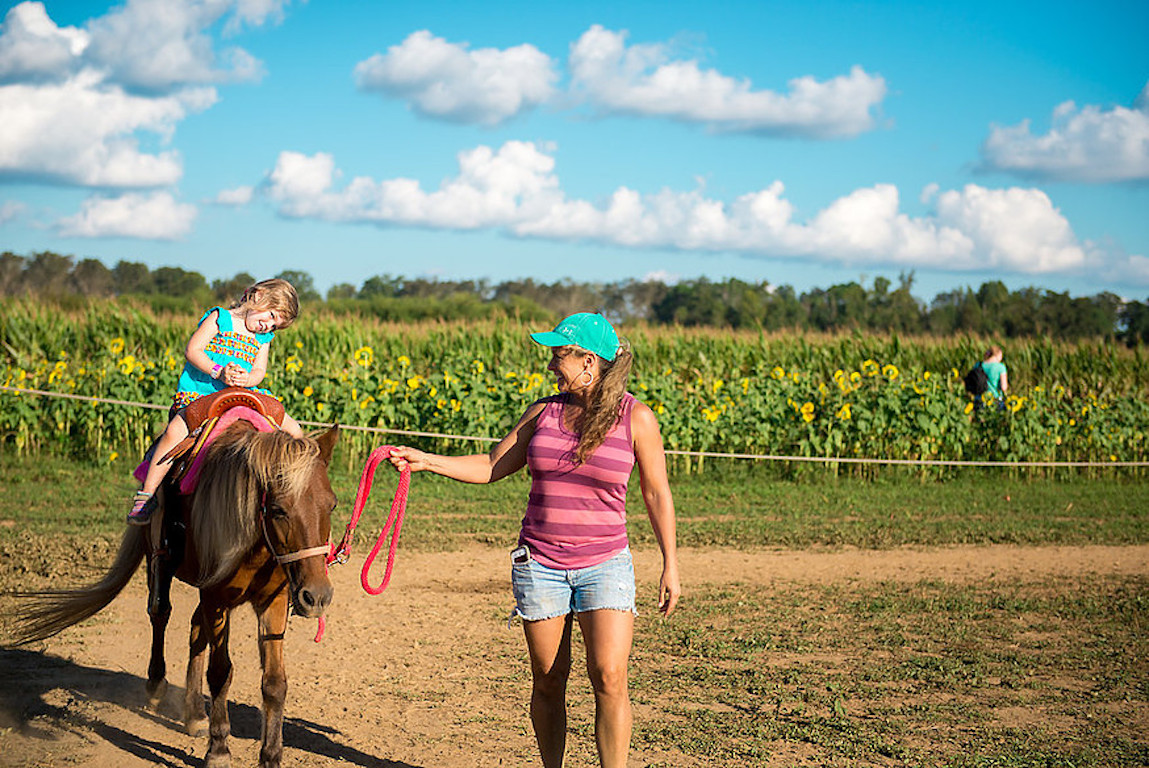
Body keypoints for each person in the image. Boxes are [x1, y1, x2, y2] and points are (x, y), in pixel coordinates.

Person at [387, 312, 681, 768]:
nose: (550, 365)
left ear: (590, 361)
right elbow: (491, 465)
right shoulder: (543, 412)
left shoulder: (636, 418)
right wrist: (427, 460)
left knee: (610, 675)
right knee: (548, 679)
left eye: (559, 355)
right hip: (540, 563)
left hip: (606, 563)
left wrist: (670, 563)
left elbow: (656, 492)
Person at [126, 278, 305, 525]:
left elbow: (259, 371)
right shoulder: (220, 319)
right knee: (174, 432)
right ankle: (146, 496)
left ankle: (300, 494)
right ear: (258, 296)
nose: (269, 325)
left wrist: (247, 378)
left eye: (276, 324)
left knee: (295, 430)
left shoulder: (264, 339)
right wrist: (218, 372)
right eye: (272, 315)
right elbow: (193, 350)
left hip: (241, 395)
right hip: (203, 393)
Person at [980, 345, 1009, 410]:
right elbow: (1004, 387)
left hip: (980, 399)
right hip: (995, 399)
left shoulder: (978, 365)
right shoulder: (1001, 367)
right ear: (997, 355)